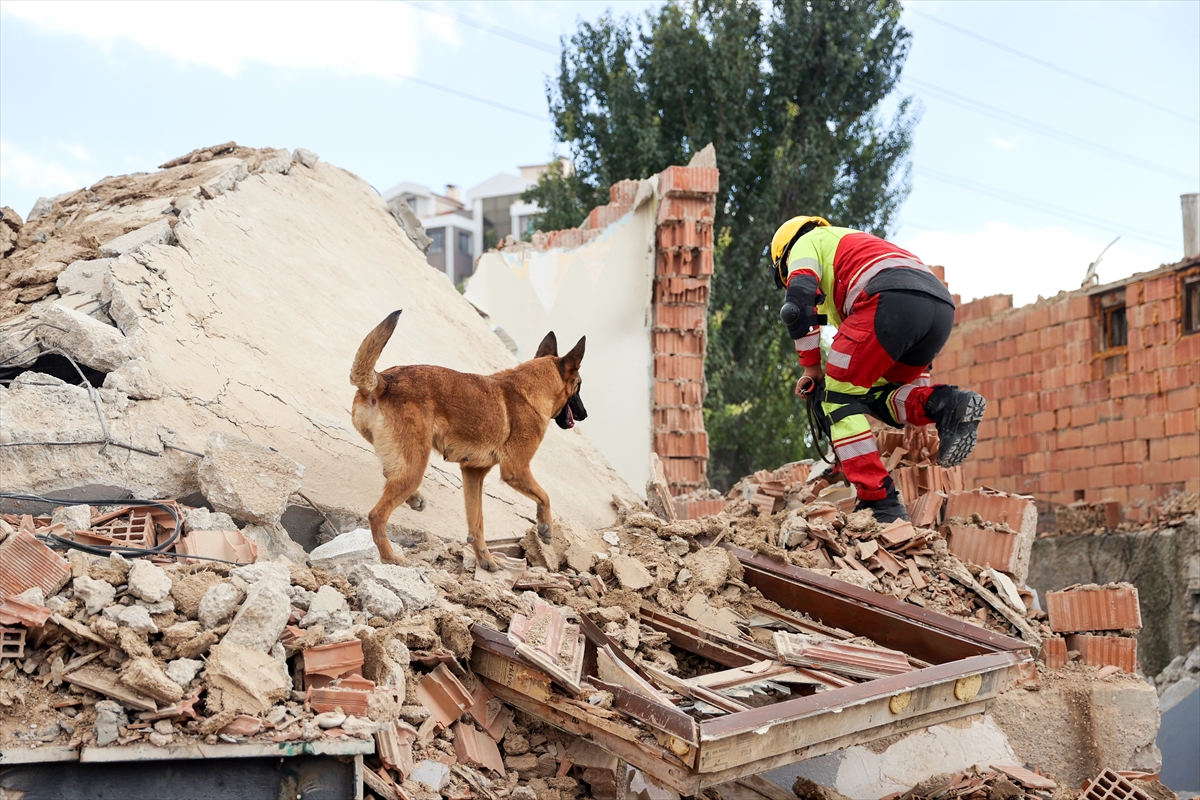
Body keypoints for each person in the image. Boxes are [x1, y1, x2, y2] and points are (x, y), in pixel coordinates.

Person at [770, 215, 985, 523]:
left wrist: (812, 369)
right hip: (937, 308)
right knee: (871, 393)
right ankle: (946, 405)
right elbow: (908, 312)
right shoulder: (855, 245)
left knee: (836, 396)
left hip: (886, 299)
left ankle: (879, 502)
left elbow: (796, 307)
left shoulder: (805, 244)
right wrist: (918, 412)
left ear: (782, 257)